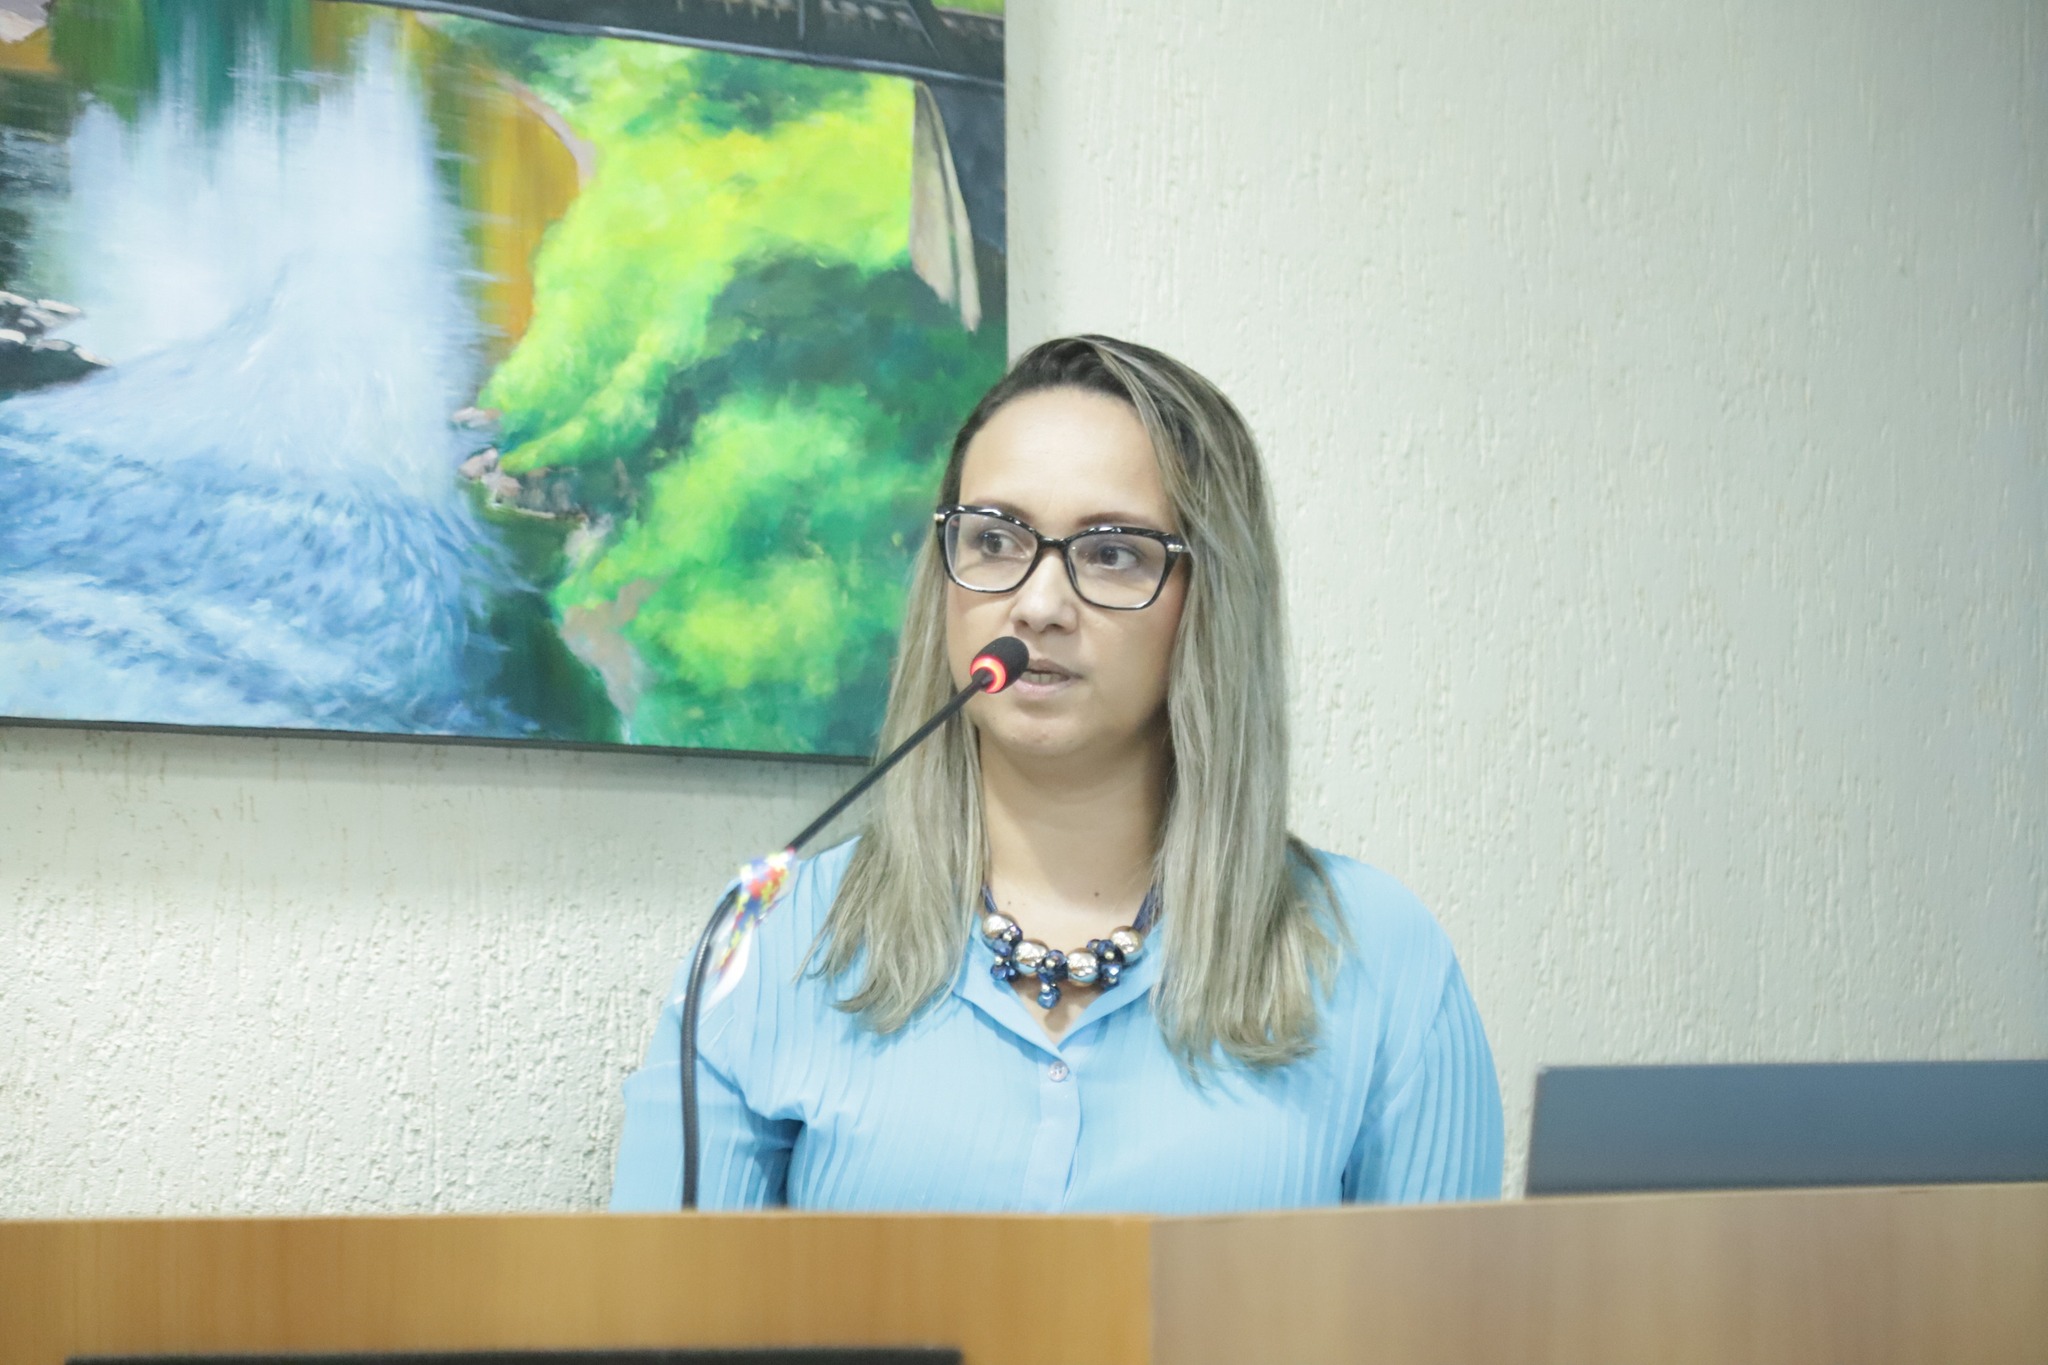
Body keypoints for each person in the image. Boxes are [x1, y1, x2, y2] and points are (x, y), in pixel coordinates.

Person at [610, 335, 1503, 1213]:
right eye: (994, 539)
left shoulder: (1381, 958)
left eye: (1112, 551)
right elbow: (656, 1302)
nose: (1038, 604)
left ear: (1212, 600)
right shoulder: (776, 942)